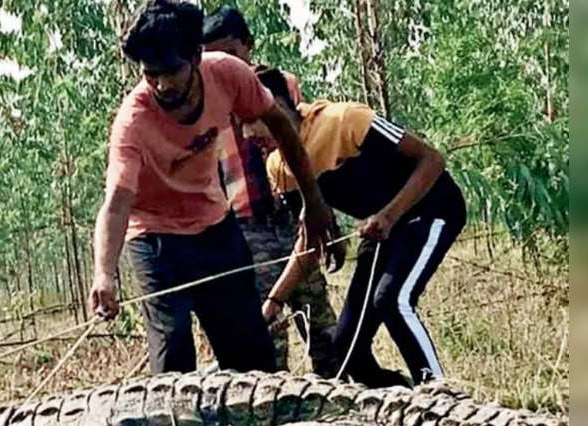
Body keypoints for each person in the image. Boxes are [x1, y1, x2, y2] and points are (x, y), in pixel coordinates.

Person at [88, 0, 333, 374]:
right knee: (172, 357)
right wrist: (104, 273)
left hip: (216, 226)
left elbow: (281, 125)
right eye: (150, 74)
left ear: (197, 56)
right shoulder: (132, 123)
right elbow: (118, 202)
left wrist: (314, 204)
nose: (161, 84)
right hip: (155, 238)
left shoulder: (230, 75)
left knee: (252, 354)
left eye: (171, 71)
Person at [252, 66, 467, 387]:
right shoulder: (278, 168)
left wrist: (390, 215)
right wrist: (274, 302)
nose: (245, 136)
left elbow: (432, 160)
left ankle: (441, 394)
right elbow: (310, 242)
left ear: (277, 111)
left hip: (431, 208)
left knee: (392, 300)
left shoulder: (347, 120)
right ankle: (403, 399)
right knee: (346, 348)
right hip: (383, 231)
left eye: (249, 124)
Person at [201, 5, 343, 376]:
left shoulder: (283, 85)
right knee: (266, 331)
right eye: (211, 56)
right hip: (247, 227)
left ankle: (338, 401)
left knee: (322, 324)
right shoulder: (205, 103)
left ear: (248, 45)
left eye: (230, 53)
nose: (223, 63)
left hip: (295, 216)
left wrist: (323, 210)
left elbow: (307, 147)